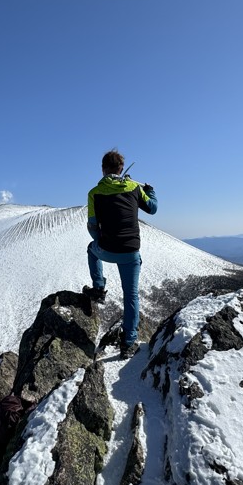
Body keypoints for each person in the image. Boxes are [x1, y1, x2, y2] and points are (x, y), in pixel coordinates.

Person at [84, 149, 158, 359]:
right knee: (131, 295)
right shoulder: (134, 187)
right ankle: (128, 343)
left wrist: (99, 239)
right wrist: (150, 191)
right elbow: (152, 209)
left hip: (106, 250)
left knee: (91, 250)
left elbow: (91, 226)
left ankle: (98, 288)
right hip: (130, 252)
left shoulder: (94, 193)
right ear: (121, 168)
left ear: (102, 169)